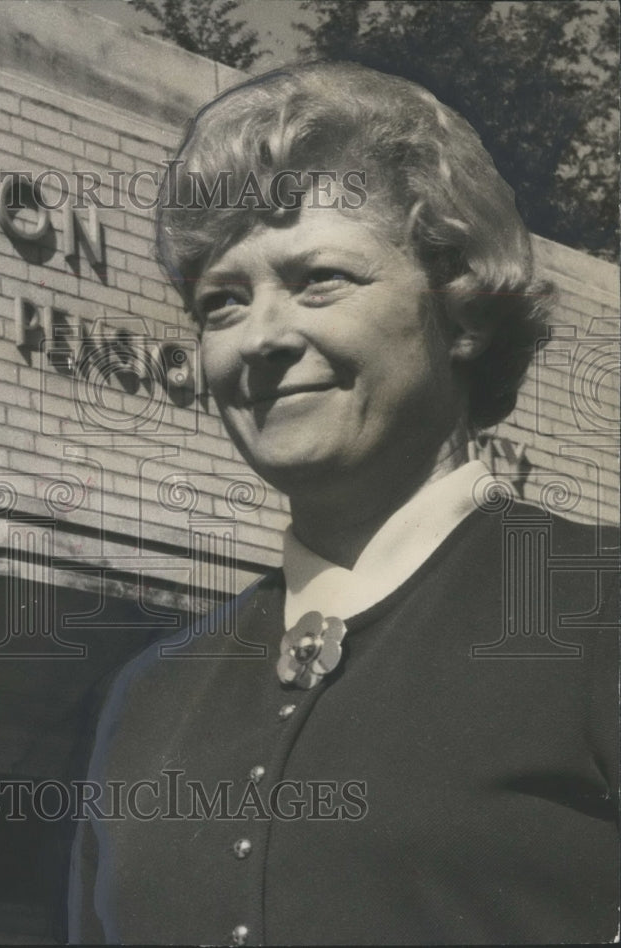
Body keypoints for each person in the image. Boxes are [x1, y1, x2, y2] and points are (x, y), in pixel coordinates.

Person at [67, 62, 619, 945]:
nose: (263, 338)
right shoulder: (146, 701)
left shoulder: (598, 606)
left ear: (460, 307)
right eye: (222, 302)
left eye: (319, 278)